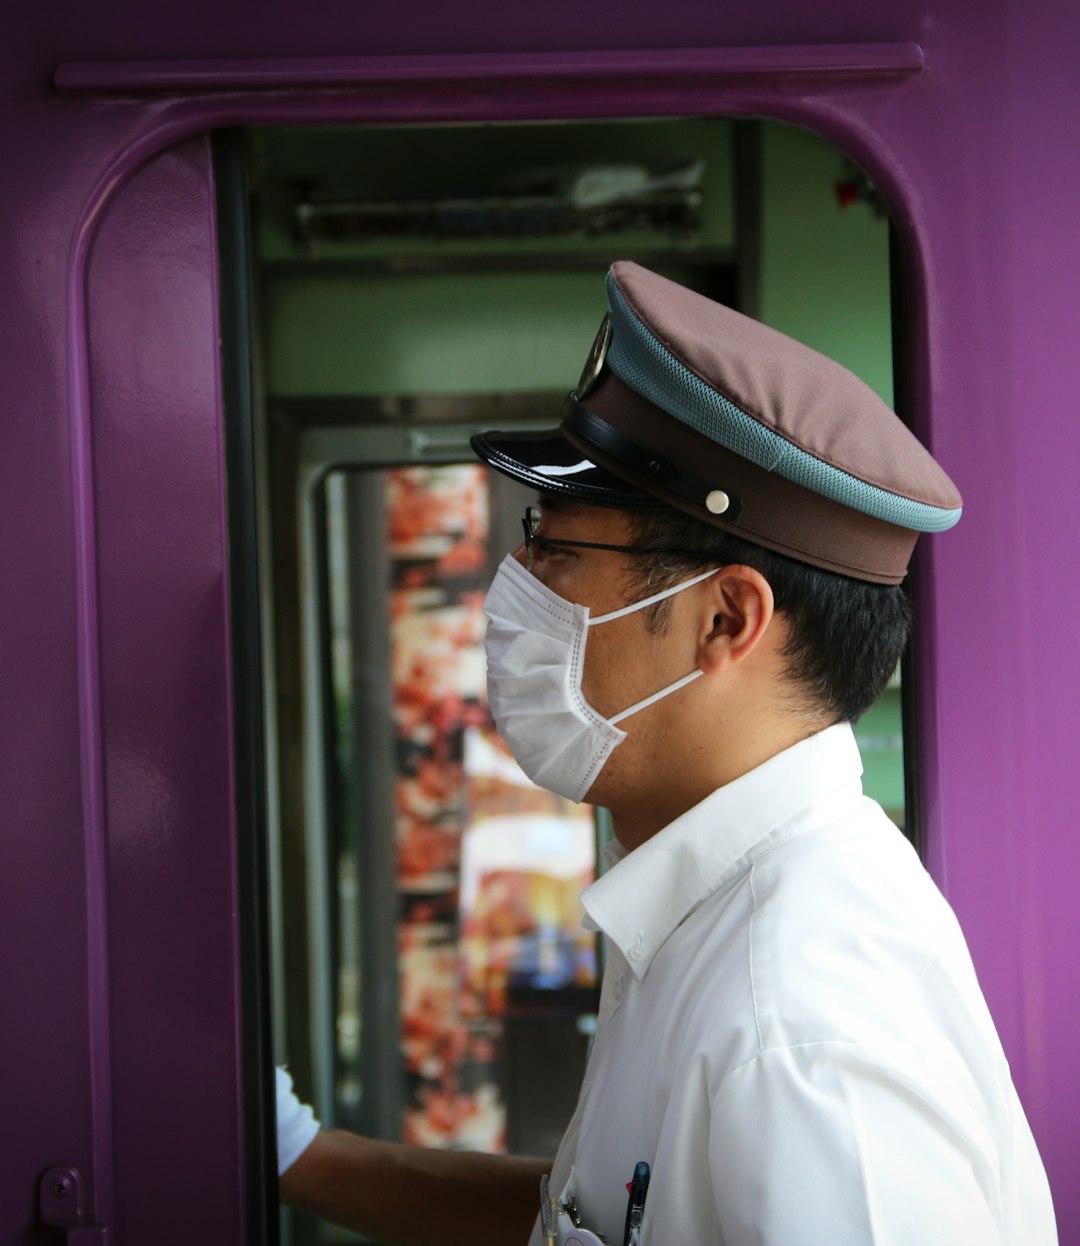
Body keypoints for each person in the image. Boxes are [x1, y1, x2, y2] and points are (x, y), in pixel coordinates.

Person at [277, 262, 1057, 1245]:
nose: (515, 589)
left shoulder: (800, 1037)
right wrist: (295, 1155)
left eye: (555, 548)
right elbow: (584, 1211)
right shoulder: (711, 911)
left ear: (725, 618)